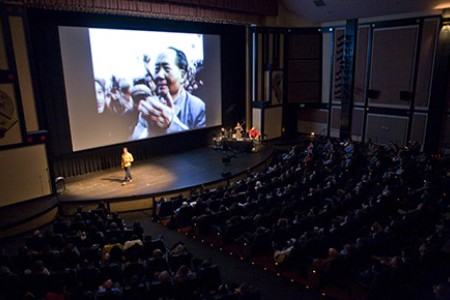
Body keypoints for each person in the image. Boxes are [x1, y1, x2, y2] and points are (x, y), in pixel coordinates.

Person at [131, 47, 206, 139]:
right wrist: (151, 131)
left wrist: (172, 123)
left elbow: (200, 143)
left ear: (182, 76)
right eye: (157, 69)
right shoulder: (150, 106)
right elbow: (135, 139)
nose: (159, 75)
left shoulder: (198, 107)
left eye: (166, 69)